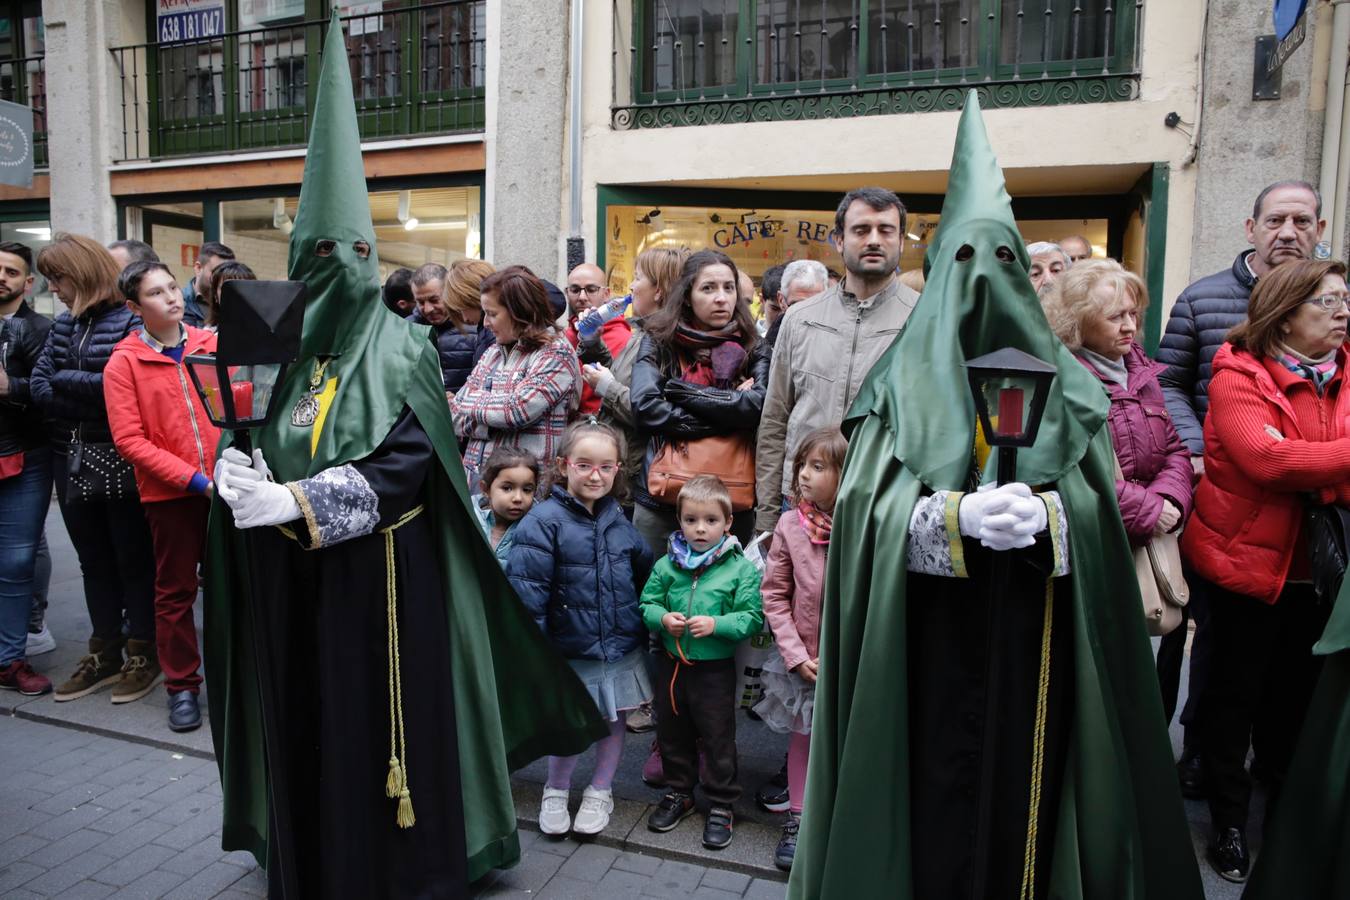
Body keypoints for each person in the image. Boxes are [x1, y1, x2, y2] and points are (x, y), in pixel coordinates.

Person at [205, 20, 605, 896]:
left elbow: (408, 463)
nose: (332, 269)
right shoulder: (293, 351)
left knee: (377, 724)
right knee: (312, 717)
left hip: (383, 582)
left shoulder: (399, 349)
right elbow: (264, 433)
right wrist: (244, 478)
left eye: (347, 252)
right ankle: (311, 847)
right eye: (314, 254)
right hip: (297, 586)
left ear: (366, 256)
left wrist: (303, 504)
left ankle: (395, 865)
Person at [789, 95, 1202, 900]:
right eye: (962, 263)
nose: (983, 285)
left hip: (1039, 637)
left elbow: (1097, 507)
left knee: (1031, 806)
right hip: (923, 642)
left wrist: (1051, 517)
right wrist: (951, 518)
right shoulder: (894, 392)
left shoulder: (1075, 398)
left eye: (1002, 262)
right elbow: (864, 513)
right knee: (930, 796)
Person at [1178, 258, 1349, 883]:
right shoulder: (1238, 372)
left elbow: (1298, 460)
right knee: (1232, 700)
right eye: (1326, 303)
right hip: (1244, 568)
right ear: (1285, 311)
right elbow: (1268, 463)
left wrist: (1312, 461)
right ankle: (1227, 821)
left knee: (1294, 706)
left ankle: (1281, 824)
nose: (1342, 313)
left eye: (1344, 300)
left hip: (1321, 576)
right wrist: (1323, 464)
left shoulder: (1347, 371)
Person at [1156, 179, 1326, 797]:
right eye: (1276, 220)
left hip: (1314, 512)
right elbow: (1168, 379)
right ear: (1250, 228)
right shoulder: (1204, 300)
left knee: (1294, 654)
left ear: (1320, 228)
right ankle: (1202, 755)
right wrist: (1197, 448)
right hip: (1226, 497)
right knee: (1217, 642)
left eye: (1302, 221)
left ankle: (1276, 770)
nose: (1289, 232)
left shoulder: (1337, 304)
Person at [506, 420, 654, 837]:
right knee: (569, 722)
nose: (595, 475)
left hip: (619, 646)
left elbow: (645, 574)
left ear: (618, 470)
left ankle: (600, 790)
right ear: (562, 464)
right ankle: (555, 789)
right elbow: (528, 594)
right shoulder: (543, 522)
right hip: (568, 650)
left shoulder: (620, 520)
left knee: (614, 720)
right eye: (584, 464)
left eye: (606, 467)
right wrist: (535, 657)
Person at [31, 234, 161, 706]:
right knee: (92, 563)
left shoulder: (132, 320)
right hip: (71, 457)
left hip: (123, 459)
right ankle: (104, 651)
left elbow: (127, 391)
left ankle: (143, 654)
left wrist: (73, 383)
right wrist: (90, 385)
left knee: (133, 561)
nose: (54, 288)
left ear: (82, 274)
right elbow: (40, 388)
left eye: (58, 278)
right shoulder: (63, 325)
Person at [755, 188, 919, 537]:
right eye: (861, 230)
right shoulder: (799, 318)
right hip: (799, 502)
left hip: (884, 505)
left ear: (901, 241)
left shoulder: (925, 319)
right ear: (840, 240)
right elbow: (774, 422)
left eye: (885, 230)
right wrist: (767, 520)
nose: (874, 239)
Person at [103, 260, 220, 732]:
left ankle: (240, 676)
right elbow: (130, 441)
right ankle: (182, 687)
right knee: (175, 591)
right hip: (173, 496)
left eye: (173, 287)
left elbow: (240, 403)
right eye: (156, 293)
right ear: (134, 307)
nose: (172, 297)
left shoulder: (211, 344)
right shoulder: (123, 362)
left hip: (228, 486)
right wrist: (195, 481)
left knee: (234, 585)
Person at [640, 474, 763, 850]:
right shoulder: (667, 564)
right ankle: (680, 791)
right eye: (691, 520)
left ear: (727, 523)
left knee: (717, 736)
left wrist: (717, 624)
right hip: (673, 665)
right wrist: (661, 619)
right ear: (680, 521)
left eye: (710, 520)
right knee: (672, 731)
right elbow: (647, 602)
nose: (700, 528)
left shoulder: (738, 568)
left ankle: (723, 802)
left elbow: (751, 618)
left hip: (714, 670)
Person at [1042, 260, 1193, 549]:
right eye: (1115, 317)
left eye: (1133, 314)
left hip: (1147, 538)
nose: (1130, 327)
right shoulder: (1060, 381)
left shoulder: (1142, 371)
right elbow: (1071, 474)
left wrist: (1168, 500)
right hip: (1092, 547)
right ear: (1079, 321)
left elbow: (1174, 450)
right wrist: (1147, 509)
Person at [630, 249, 770, 553]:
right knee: (656, 593)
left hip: (731, 504)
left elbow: (757, 407)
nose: (721, 298)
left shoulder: (754, 346)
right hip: (663, 499)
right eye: (708, 288)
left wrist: (682, 394)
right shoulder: (659, 339)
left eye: (728, 287)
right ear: (687, 295)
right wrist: (729, 409)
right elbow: (646, 408)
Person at [753, 426, 845, 871]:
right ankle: (797, 820)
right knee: (803, 741)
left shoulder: (862, 525)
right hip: (804, 663)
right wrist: (796, 655)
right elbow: (774, 595)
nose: (805, 476)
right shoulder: (791, 525)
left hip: (848, 662)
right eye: (802, 466)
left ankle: (839, 824)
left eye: (819, 467)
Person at [451, 265, 580, 486]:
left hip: (526, 489)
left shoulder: (556, 352)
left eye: (492, 314)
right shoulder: (494, 351)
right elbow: (453, 415)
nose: (485, 323)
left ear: (519, 312)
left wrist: (471, 406)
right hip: (478, 482)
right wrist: (494, 419)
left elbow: (516, 410)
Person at [580, 247, 686, 510]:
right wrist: (593, 343)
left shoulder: (666, 343)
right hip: (619, 471)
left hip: (637, 480)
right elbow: (623, 378)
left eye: (638, 278)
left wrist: (608, 388)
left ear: (659, 291)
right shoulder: (642, 332)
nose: (630, 285)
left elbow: (654, 413)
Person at [0, 241, 53, 695]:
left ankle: (9, 659)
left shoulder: (41, 329)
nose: (2, 277)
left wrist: (10, 385)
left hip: (25, 457)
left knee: (17, 561)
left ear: (27, 283)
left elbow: (49, 396)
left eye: (11, 271)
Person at [411, 260, 487, 395]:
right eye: (420, 302)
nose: (428, 309)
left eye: (434, 300)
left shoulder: (479, 325)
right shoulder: (406, 331)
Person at [566, 262, 632, 417]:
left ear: (607, 293)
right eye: (575, 290)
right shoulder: (565, 336)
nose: (582, 297)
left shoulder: (624, 339)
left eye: (591, 290)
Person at [474, 444, 541, 569]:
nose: (518, 498)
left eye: (527, 490)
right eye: (507, 488)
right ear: (486, 489)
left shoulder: (537, 530)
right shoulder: (469, 518)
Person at [764, 259, 828, 349]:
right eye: (798, 306)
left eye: (815, 306)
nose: (807, 315)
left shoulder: (840, 343)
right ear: (781, 300)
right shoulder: (765, 348)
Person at [182, 242, 236, 330]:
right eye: (216, 271)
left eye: (227, 273)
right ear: (198, 268)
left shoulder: (233, 304)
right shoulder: (180, 303)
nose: (222, 278)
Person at [204, 260, 256, 330]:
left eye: (242, 288)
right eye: (227, 288)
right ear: (215, 296)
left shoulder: (264, 333)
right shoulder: (207, 334)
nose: (235, 294)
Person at [758, 263, 786, 336]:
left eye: (786, 310)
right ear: (762, 300)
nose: (781, 315)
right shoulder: (747, 338)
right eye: (775, 308)